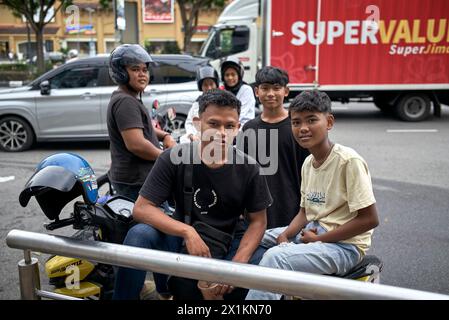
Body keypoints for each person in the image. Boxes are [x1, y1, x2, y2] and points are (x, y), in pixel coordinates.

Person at [112, 89, 272, 300]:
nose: (222, 133)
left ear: (238, 128)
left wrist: (237, 266)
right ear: (198, 124)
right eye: (213, 124)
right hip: (182, 237)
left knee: (266, 262)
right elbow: (142, 208)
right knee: (139, 235)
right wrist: (187, 232)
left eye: (230, 126)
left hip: (230, 239)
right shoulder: (173, 158)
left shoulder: (249, 167)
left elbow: (258, 222)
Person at [246, 90, 379, 300]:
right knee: (253, 237)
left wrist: (319, 239)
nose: (303, 128)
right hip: (313, 231)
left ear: (329, 122)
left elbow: (370, 219)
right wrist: (286, 234)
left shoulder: (348, 161)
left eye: (311, 120)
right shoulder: (308, 162)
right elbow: (305, 211)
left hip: (345, 247)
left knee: (276, 258)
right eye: (296, 122)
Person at [240, 66, 309, 229]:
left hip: (294, 210)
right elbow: (241, 172)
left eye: (276, 88)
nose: (271, 93)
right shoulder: (249, 128)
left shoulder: (298, 126)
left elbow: (310, 171)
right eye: (265, 88)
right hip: (257, 212)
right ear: (257, 92)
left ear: (286, 91)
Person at [107, 44, 176, 201]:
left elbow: (141, 127)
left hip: (134, 178)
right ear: (121, 73)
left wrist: (165, 135)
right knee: (157, 221)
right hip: (136, 182)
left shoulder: (126, 97)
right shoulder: (126, 102)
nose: (142, 74)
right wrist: (167, 158)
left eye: (145, 70)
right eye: (135, 69)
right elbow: (136, 144)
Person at [180, 65, 219, 144]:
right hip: (196, 140)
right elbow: (189, 122)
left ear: (216, 84)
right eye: (205, 85)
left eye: (211, 84)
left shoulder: (222, 102)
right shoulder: (197, 104)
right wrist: (191, 135)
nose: (209, 88)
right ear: (201, 87)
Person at [220, 56, 255, 127]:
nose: (230, 78)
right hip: (227, 128)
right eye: (227, 75)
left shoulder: (246, 90)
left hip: (244, 129)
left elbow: (239, 115)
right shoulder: (222, 90)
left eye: (233, 74)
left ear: (239, 75)